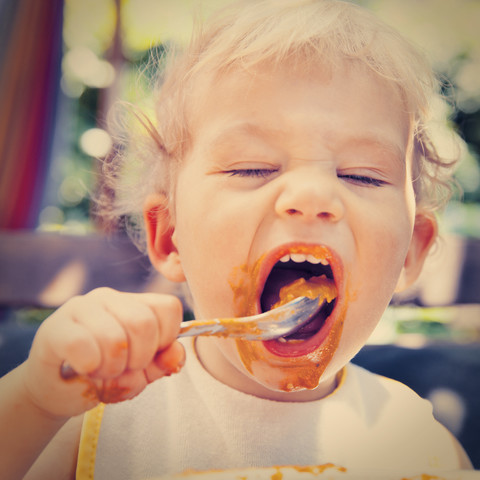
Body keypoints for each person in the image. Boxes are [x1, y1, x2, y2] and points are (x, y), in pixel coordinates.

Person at [0, 0, 474, 478]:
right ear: (170, 238)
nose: (312, 196)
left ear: (410, 250)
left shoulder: (421, 447)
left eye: (362, 176)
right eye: (253, 168)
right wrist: (34, 400)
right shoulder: (94, 422)